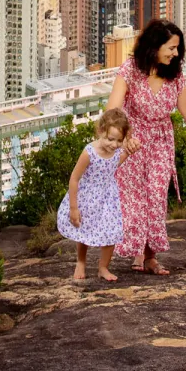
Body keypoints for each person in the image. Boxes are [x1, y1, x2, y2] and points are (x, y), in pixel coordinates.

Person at [107, 18, 186, 275]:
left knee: (157, 196)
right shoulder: (130, 70)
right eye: (171, 48)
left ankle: (151, 256)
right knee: (133, 199)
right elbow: (113, 108)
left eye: (177, 49)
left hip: (161, 140)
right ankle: (137, 252)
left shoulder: (175, 75)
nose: (175, 53)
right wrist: (123, 137)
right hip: (132, 142)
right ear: (154, 46)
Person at [57, 108, 138, 281]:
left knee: (113, 232)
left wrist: (131, 148)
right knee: (84, 230)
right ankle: (81, 262)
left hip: (108, 199)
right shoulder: (89, 152)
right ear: (101, 131)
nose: (114, 145)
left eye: (119, 141)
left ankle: (103, 267)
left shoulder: (117, 152)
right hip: (87, 197)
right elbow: (74, 179)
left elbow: (117, 162)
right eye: (110, 139)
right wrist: (73, 208)